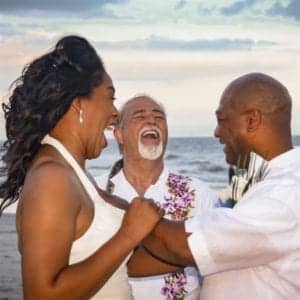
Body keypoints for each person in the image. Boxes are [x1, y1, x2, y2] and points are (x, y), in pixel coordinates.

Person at [0, 35, 163, 300]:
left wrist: (206, 255)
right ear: (79, 105)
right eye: (110, 98)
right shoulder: (51, 177)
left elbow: (103, 263)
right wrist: (128, 235)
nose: (115, 113)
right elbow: (42, 294)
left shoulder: (71, 172)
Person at [137, 73, 300, 299]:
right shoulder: (274, 182)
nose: (216, 132)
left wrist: (108, 203)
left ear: (252, 120)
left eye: (222, 120)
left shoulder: (282, 195)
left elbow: (180, 246)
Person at [97, 95, 218, 300]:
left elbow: (215, 264)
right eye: (139, 116)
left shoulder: (200, 193)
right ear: (119, 134)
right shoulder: (95, 191)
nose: (151, 121)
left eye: (158, 117)